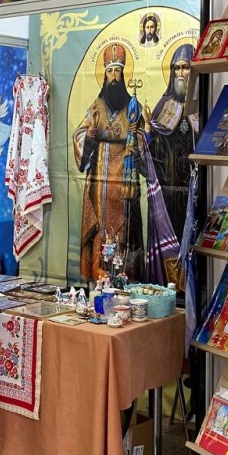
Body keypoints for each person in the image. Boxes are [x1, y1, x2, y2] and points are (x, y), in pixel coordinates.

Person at [73, 43, 144, 281]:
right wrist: (90, 134)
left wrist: (138, 134)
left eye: (118, 71)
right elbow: (79, 135)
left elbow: (144, 144)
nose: (114, 76)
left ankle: (124, 279)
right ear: (104, 74)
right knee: (100, 232)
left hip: (124, 184)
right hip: (99, 183)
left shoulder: (133, 107)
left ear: (123, 74)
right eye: (110, 71)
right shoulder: (96, 106)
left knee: (125, 232)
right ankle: (98, 277)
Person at [144, 43, 198, 242]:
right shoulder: (164, 105)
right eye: (177, 68)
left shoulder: (202, 104)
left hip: (194, 183)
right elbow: (154, 152)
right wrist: (148, 130)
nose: (181, 73)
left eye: (186, 67)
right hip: (169, 185)